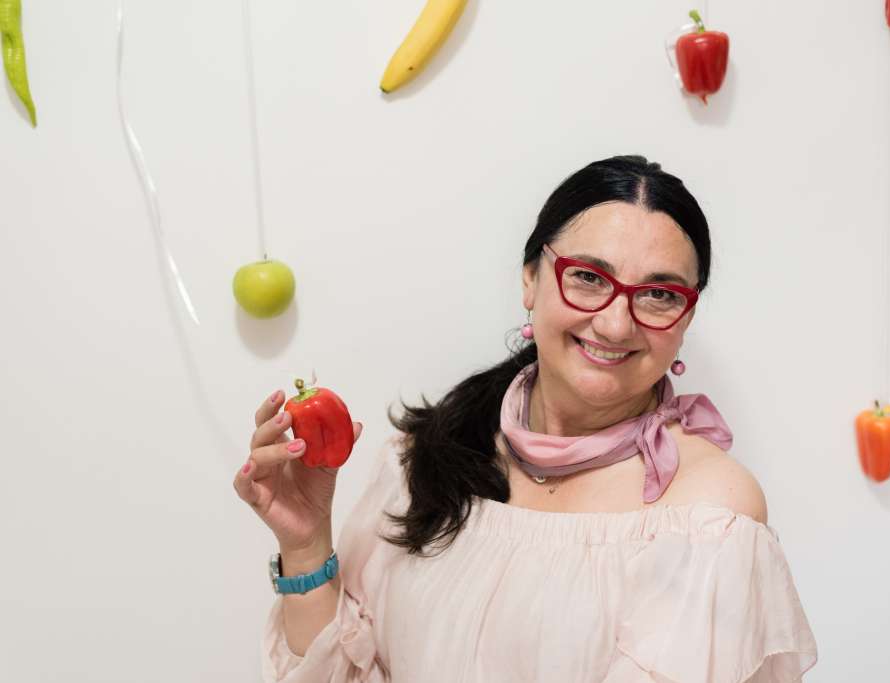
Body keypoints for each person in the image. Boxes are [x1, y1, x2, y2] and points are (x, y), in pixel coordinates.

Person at [234, 155, 819, 682]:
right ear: (530, 279)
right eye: (588, 277)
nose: (616, 324)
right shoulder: (422, 460)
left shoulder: (712, 517)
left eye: (659, 294)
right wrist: (306, 546)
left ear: (686, 318)